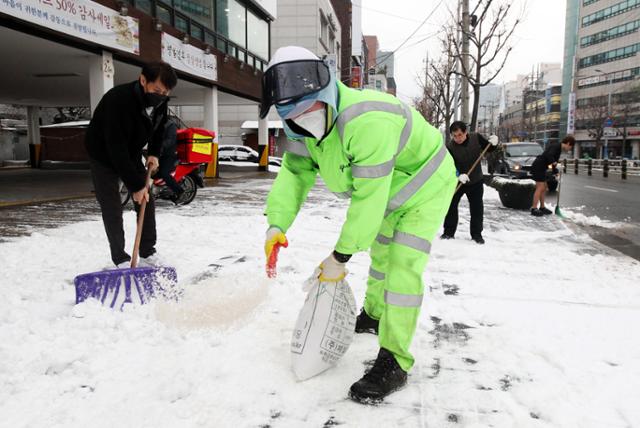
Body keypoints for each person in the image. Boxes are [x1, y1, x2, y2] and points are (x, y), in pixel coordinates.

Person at [260, 46, 457, 403]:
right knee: (381, 255)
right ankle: (373, 313)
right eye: (293, 116)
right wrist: (277, 225)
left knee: (401, 266)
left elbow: (368, 198)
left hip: (426, 184)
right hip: (390, 190)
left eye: (309, 109)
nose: (304, 120)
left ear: (326, 92)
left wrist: (340, 256)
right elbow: (293, 175)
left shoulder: (368, 120)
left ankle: (395, 359)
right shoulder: (303, 129)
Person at [85, 61, 177, 268]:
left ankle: (147, 250)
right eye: (157, 90)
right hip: (103, 154)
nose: (160, 95)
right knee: (112, 206)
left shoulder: (161, 101)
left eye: (165, 92)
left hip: (131, 150)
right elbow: (115, 148)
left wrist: (153, 153)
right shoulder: (118, 100)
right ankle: (120, 258)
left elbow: (159, 127)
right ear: (143, 79)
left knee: (146, 200)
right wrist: (135, 185)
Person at [441, 121, 498, 244]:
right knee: (451, 206)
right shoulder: (450, 147)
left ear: (465, 132)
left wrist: (494, 143)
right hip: (459, 181)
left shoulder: (476, 137)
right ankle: (448, 232)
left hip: (476, 180)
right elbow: (449, 166)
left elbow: (489, 147)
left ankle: (477, 235)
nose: (457, 138)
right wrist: (458, 175)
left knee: (477, 208)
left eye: (460, 135)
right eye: (454, 136)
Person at [530, 135, 575, 216]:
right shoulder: (556, 146)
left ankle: (542, 207)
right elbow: (549, 156)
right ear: (568, 143)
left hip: (542, 167)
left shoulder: (559, 149)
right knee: (540, 187)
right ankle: (534, 208)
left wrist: (556, 173)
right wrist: (555, 163)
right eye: (570, 147)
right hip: (538, 166)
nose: (569, 149)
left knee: (544, 187)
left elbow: (553, 162)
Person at [156, 117, 185, 204]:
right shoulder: (157, 125)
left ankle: (179, 191)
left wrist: (159, 146)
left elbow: (170, 141)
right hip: (161, 154)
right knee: (154, 173)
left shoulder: (171, 126)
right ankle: (160, 191)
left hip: (169, 154)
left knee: (164, 173)